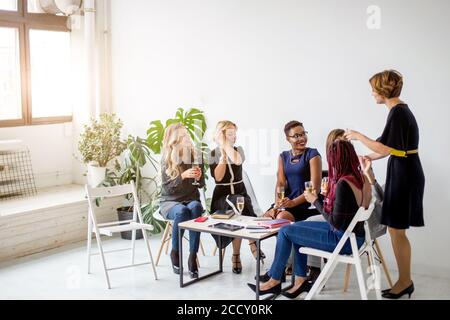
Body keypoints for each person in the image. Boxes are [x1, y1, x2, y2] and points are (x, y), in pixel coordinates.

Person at [248, 140, 372, 299]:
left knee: (286, 231)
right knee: (298, 226)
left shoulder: (343, 183)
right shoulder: (360, 178)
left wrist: (315, 200)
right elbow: (361, 206)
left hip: (343, 240)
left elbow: (334, 222)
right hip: (355, 236)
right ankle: (300, 280)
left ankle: (274, 280)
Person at [345, 70, 425, 299]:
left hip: (405, 173)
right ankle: (404, 280)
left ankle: (404, 281)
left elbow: (387, 149)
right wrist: (369, 156)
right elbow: (389, 146)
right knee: (396, 230)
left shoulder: (398, 112)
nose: (371, 93)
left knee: (397, 230)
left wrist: (358, 136)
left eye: (373, 89)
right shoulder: (398, 111)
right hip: (404, 169)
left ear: (382, 91)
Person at [259, 121, 321, 280]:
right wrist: (277, 204)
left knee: (281, 219)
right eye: (296, 136)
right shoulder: (283, 156)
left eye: (303, 134)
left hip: (305, 204)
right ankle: (288, 263)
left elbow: (315, 188)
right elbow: (280, 183)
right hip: (287, 203)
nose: (302, 138)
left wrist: (292, 203)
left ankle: (277, 270)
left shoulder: (313, 154)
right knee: (264, 219)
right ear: (288, 139)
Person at [209, 120, 262, 274]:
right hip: (222, 196)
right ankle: (252, 243)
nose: (235, 137)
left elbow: (238, 160)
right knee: (241, 204)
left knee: (241, 208)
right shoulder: (213, 154)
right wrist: (222, 157)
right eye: (230, 134)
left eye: (235, 133)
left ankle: (236, 255)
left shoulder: (238, 150)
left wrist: (225, 145)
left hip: (240, 191)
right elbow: (218, 178)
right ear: (222, 135)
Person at [160, 123, 205, 279]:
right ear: (174, 141)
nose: (187, 138)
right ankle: (175, 252)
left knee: (196, 207)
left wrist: (199, 177)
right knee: (182, 211)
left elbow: (201, 185)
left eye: (187, 135)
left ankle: (192, 256)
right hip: (170, 201)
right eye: (183, 136)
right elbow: (167, 189)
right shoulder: (167, 159)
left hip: (191, 198)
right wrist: (183, 176)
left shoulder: (195, 155)